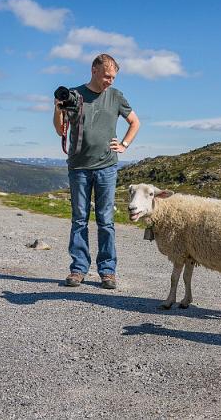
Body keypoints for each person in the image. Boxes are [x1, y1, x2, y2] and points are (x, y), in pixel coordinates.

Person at [53, 54, 140, 289]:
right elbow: (60, 129)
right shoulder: (75, 94)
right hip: (79, 167)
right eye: (106, 76)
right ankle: (78, 269)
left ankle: (107, 271)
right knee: (79, 220)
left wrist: (124, 145)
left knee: (106, 221)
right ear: (94, 70)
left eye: (113, 77)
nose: (109, 81)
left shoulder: (116, 96)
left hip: (107, 167)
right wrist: (58, 109)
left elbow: (135, 122)